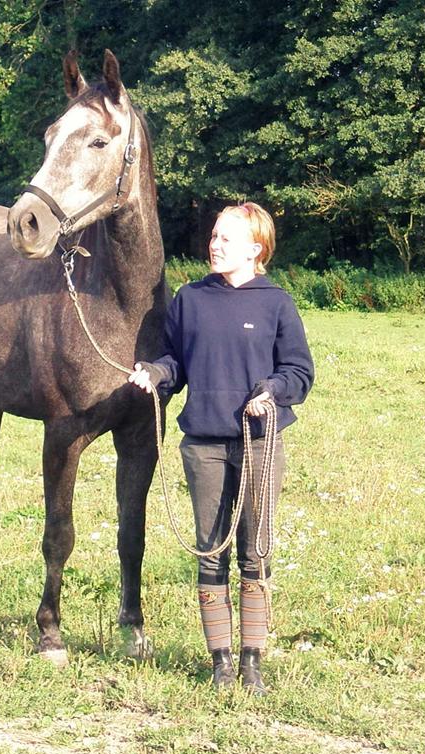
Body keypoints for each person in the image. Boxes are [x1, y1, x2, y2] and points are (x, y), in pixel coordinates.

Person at [128, 202, 314, 693]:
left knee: (256, 553)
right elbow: (176, 362)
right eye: (213, 236)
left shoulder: (277, 303)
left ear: (255, 249)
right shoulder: (190, 299)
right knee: (211, 553)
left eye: (226, 238)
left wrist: (271, 391)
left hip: (260, 444)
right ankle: (221, 663)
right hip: (203, 445)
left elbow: (299, 371)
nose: (215, 244)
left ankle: (253, 661)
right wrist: (156, 373)